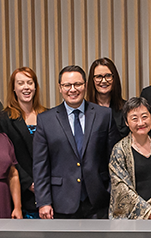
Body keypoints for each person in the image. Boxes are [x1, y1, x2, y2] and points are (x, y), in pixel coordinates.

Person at [34, 65, 122, 219]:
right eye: (67, 85)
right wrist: (43, 202)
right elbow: (40, 165)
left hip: (98, 200)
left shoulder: (103, 115)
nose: (72, 89)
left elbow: (114, 159)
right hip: (60, 201)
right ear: (60, 88)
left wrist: (109, 191)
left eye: (77, 84)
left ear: (85, 86)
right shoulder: (45, 120)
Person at [0, 67, 46, 218]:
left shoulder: (49, 115)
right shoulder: (4, 119)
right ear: (14, 88)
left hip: (48, 190)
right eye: (20, 83)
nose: (26, 87)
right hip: (20, 191)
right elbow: (5, 156)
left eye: (29, 82)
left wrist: (43, 184)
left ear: (35, 86)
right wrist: (30, 184)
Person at [110, 98, 151, 219]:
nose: (141, 123)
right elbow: (121, 189)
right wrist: (148, 211)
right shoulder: (120, 150)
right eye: (134, 119)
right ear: (126, 122)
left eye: (145, 116)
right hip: (129, 222)